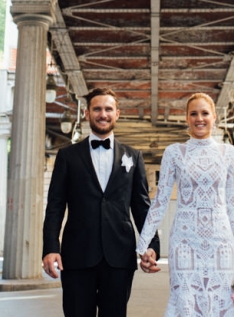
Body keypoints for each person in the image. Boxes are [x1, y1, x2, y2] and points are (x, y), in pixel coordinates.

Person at [42, 87, 160, 317]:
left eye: (108, 109)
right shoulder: (67, 156)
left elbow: (142, 207)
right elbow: (55, 205)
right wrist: (50, 247)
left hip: (119, 257)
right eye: (97, 109)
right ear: (87, 114)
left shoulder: (133, 156)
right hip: (76, 256)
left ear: (117, 114)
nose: (102, 114)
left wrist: (152, 245)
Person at [136, 92, 234, 316]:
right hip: (184, 242)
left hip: (220, 242)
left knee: (222, 301)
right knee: (185, 301)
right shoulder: (173, 153)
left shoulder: (228, 153)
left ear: (214, 117)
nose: (199, 118)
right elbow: (160, 202)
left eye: (204, 113)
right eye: (193, 114)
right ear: (186, 118)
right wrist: (142, 247)